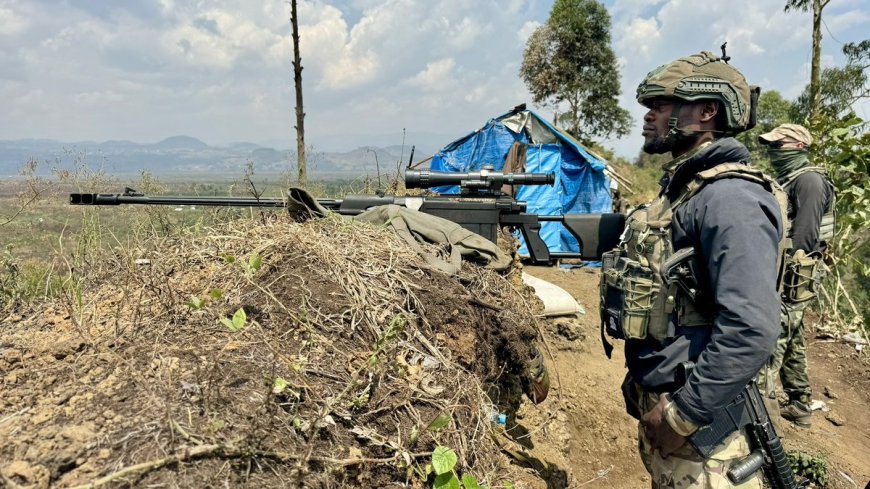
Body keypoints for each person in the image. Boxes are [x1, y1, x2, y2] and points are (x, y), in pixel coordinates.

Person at [599, 51, 785, 488]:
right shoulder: (684, 192)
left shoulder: (731, 200)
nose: (648, 115)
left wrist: (682, 415)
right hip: (675, 421)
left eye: (661, 105)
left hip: (707, 443)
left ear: (706, 111)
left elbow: (752, 328)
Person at [757, 123, 835, 427]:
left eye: (779, 145)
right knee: (793, 338)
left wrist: (787, 269)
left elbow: (805, 235)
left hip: (795, 274)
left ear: (799, 146)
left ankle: (763, 415)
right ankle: (801, 403)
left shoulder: (810, 181)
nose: (773, 151)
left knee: (773, 335)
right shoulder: (790, 178)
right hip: (787, 270)